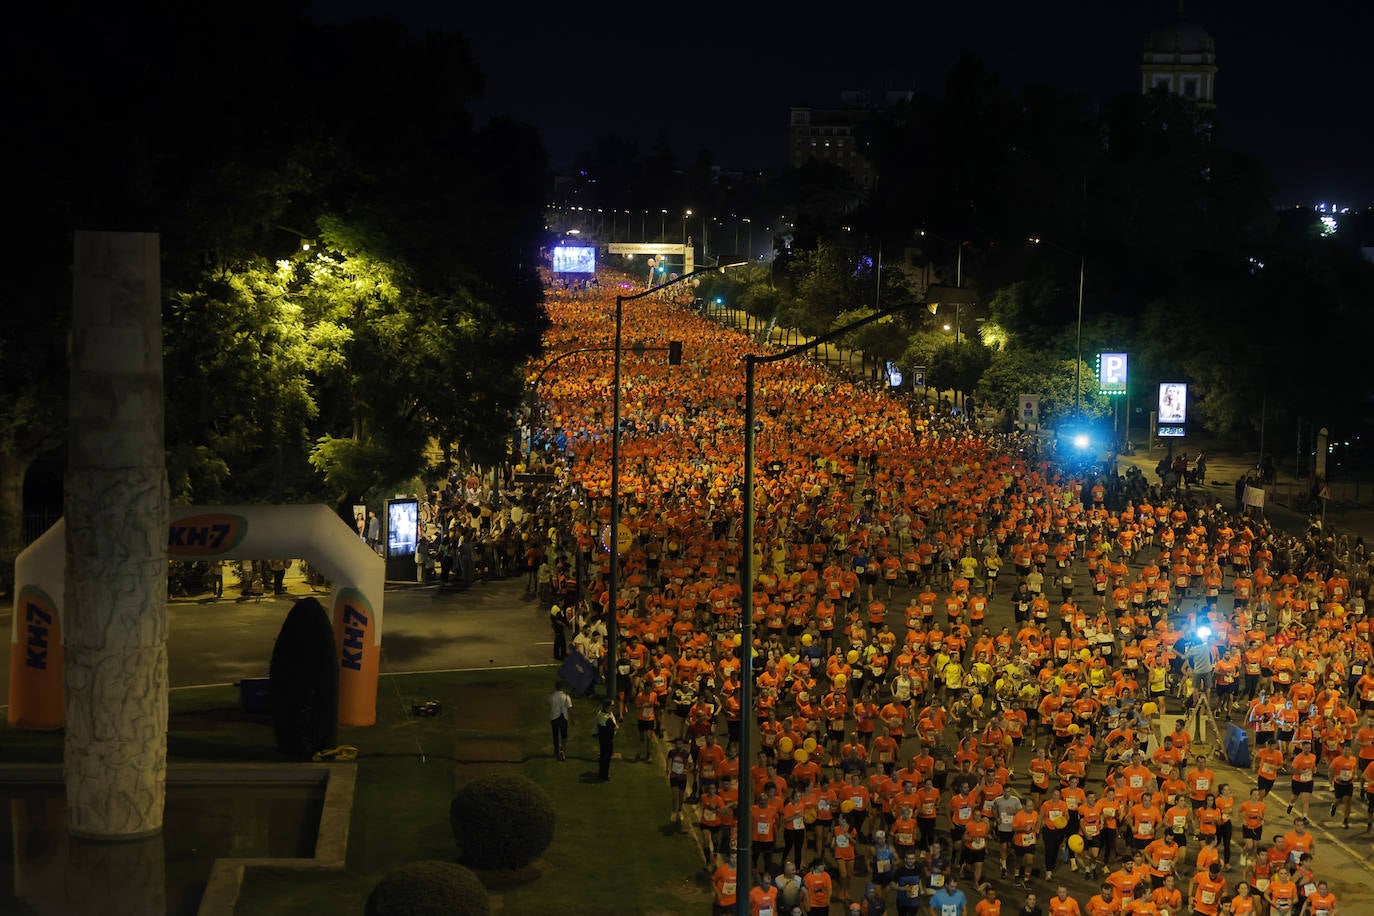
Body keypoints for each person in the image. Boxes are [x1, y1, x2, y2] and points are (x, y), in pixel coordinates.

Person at [547, 681, 572, 761]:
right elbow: (569, 708)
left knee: (555, 735)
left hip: (554, 718)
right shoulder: (566, 697)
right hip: (563, 719)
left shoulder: (552, 696)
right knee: (564, 736)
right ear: (562, 688)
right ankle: (563, 751)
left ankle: (556, 751)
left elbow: (549, 702)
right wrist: (573, 719)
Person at [595, 700, 617, 781]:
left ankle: (602, 774)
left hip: (602, 739)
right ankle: (604, 775)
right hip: (607, 740)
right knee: (606, 758)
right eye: (612, 706)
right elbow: (615, 727)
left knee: (603, 757)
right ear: (608, 707)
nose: (613, 707)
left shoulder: (600, 714)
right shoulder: (608, 719)